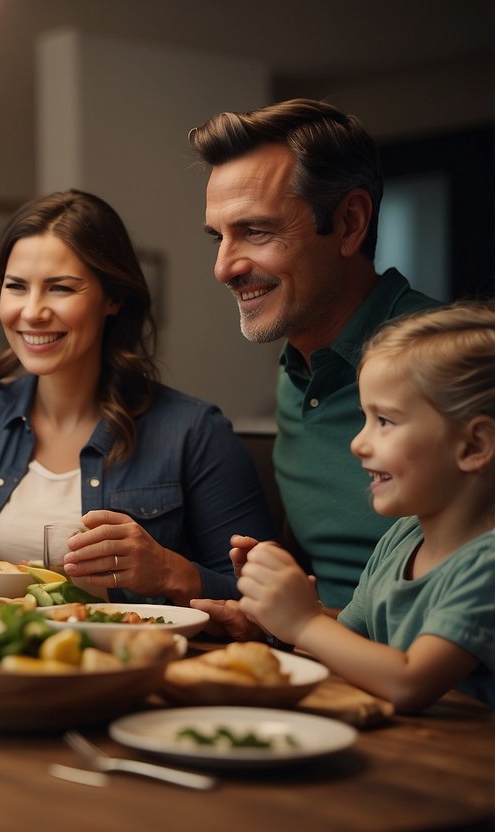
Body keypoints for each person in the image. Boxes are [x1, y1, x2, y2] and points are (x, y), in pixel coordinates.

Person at [0, 190, 276, 605]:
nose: (33, 311)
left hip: (139, 663)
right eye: (16, 286)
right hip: (9, 663)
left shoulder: (195, 431)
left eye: (60, 288)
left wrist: (168, 571)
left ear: (113, 298)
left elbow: (269, 605)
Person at [188, 99, 440, 631]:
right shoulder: (294, 373)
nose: (223, 268)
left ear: (349, 223)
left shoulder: (463, 368)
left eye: (256, 231)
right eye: (219, 236)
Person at [237, 302, 495, 711]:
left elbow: (410, 680)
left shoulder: (486, 564)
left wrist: (302, 622)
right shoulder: (403, 537)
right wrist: (278, 608)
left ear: (474, 445)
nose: (357, 443)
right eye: (364, 418)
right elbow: (351, 645)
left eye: (385, 421)